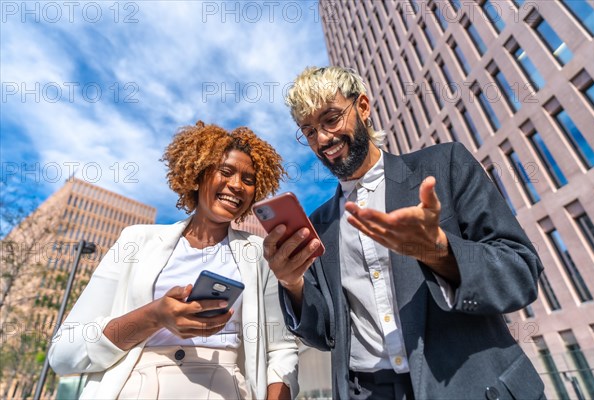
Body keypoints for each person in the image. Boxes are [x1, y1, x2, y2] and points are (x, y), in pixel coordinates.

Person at [264, 66, 545, 399]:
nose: (322, 139)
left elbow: (521, 271)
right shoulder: (319, 224)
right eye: (309, 131)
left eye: (331, 119)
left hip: (471, 387)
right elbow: (324, 335)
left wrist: (439, 252)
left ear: (363, 107)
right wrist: (292, 283)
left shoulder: (445, 165)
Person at [48, 120, 298, 400]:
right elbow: (63, 352)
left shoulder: (259, 254)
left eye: (249, 180)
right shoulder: (136, 241)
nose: (237, 185)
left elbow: (281, 350)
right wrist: (154, 316)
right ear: (198, 174)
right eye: (225, 172)